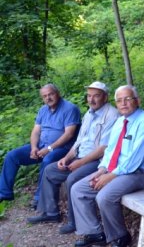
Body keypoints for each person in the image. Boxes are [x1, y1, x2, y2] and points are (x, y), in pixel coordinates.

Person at [71, 85, 144, 247]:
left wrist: (110, 176)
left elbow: (135, 159)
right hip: (116, 170)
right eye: (119, 100)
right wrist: (102, 170)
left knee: (104, 196)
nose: (123, 103)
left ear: (137, 101)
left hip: (138, 173)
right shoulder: (119, 122)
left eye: (128, 99)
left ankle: (120, 237)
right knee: (78, 189)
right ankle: (95, 233)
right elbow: (111, 150)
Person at [27, 81, 119, 235]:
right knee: (50, 170)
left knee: (73, 178)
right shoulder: (89, 113)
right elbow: (78, 141)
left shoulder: (112, 115)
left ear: (106, 97)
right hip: (80, 158)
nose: (91, 100)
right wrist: (67, 158)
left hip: (98, 162)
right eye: (89, 96)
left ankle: (74, 221)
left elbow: (104, 149)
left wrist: (79, 163)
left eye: (96, 96)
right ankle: (51, 213)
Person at [0, 84, 81, 208]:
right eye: (44, 96)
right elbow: (36, 131)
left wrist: (49, 149)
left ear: (57, 93)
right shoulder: (43, 110)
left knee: (48, 160)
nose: (48, 98)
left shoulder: (70, 108)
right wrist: (34, 147)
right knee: (12, 156)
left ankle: (39, 198)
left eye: (50, 94)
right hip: (41, 146)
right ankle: (4, 193)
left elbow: (69, 134)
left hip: (63, 149)